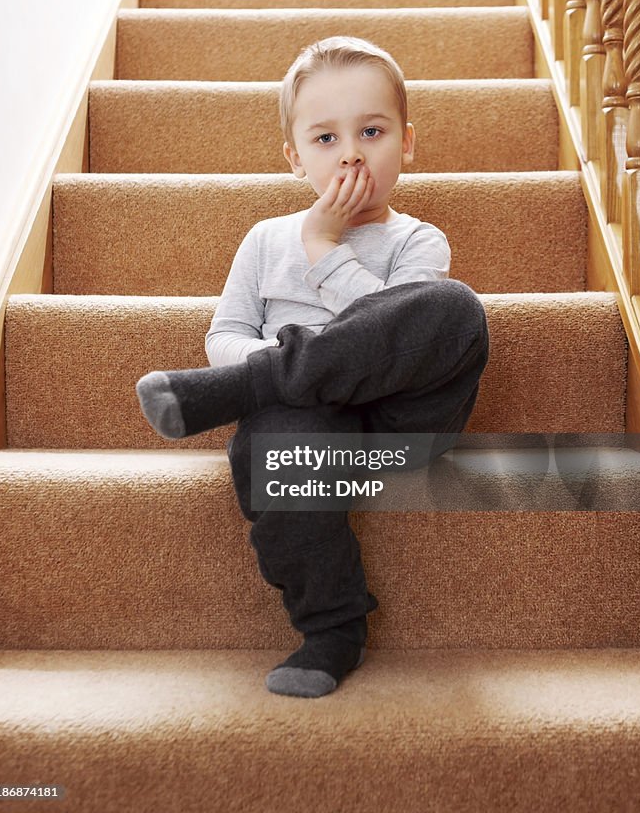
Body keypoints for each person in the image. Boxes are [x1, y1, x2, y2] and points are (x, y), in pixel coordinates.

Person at [136, 36, 489, 699]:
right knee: (278, 441)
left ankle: (243, 389)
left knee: (454, 309)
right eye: (326, 139)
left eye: (372, 131)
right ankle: (332, 630)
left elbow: (403, 337)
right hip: (304, 427)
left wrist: (326, 251)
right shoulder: (266, 239)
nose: (351, 151)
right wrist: (278, 360)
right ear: (294, 157)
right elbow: (228, 331)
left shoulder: (416, 239)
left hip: (394, 425)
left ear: (405, 144)